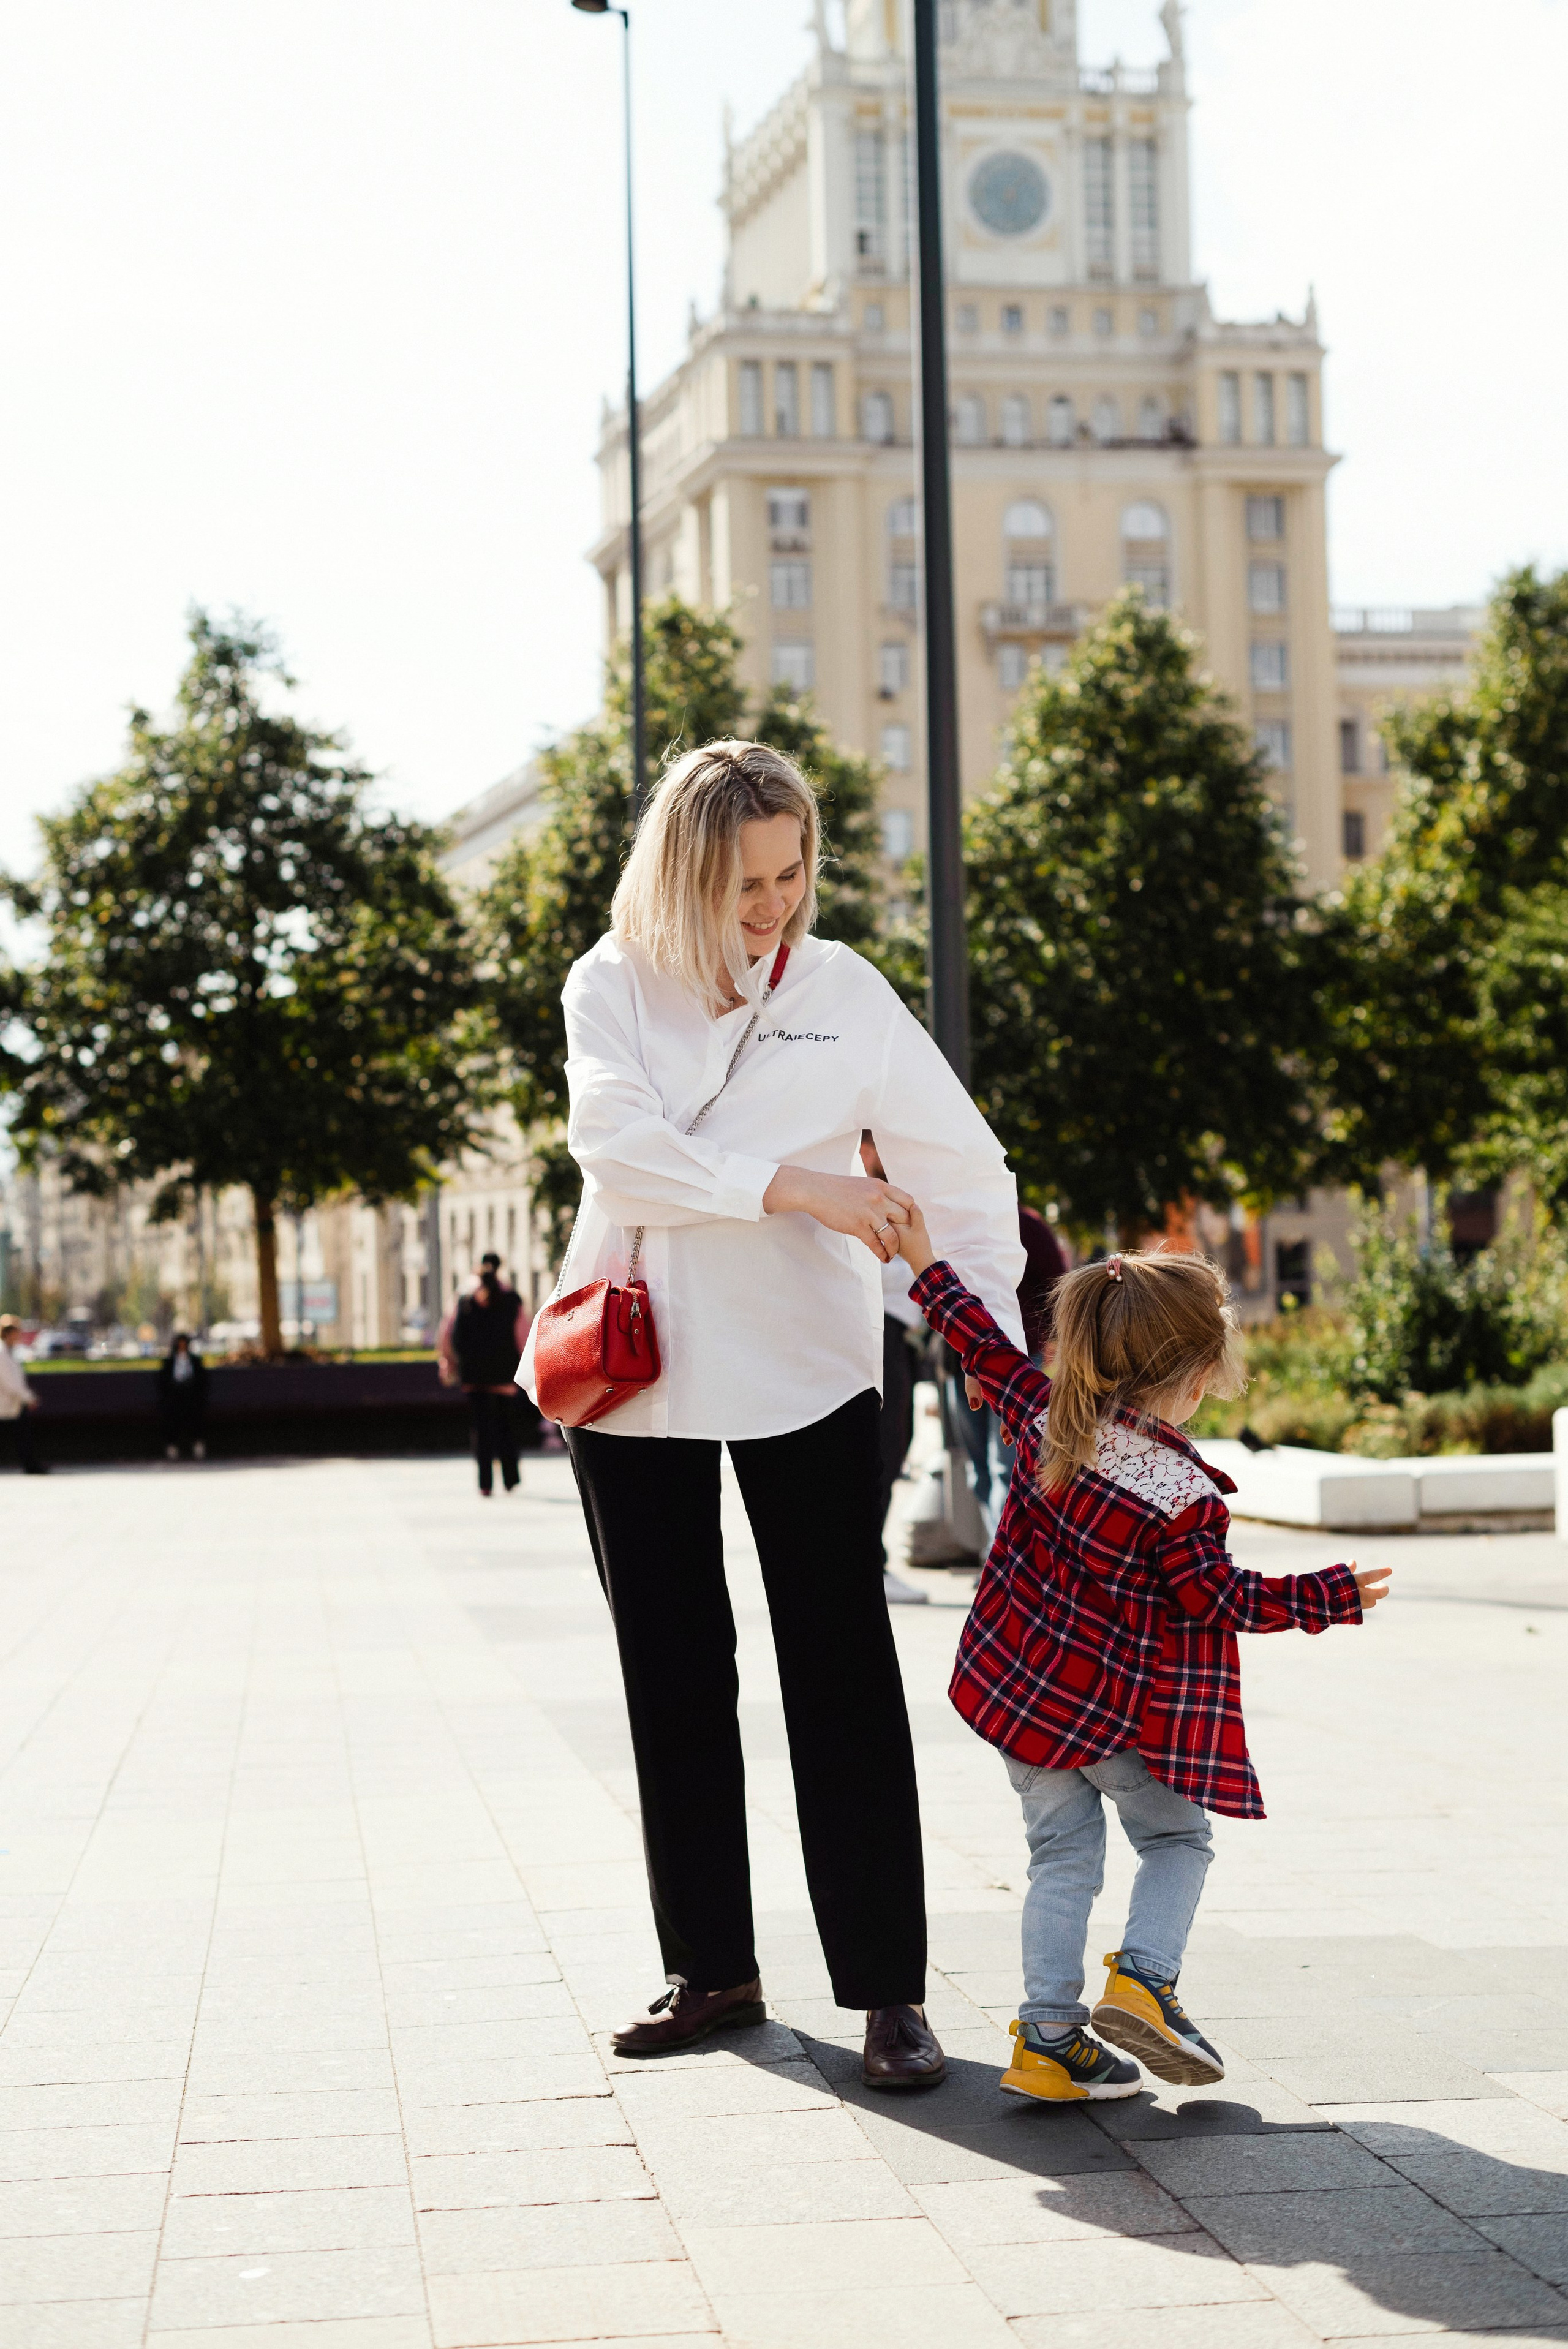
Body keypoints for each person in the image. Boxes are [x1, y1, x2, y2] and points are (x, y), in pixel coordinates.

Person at [521, 739, 1025, 2091]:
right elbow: (616, 1150)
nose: (774, 905)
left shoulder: (844, 991)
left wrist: (1011, 1360)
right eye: (746, 881)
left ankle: (889, 1994)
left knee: (841, 1670)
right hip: (634, 1374)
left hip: (806, 1363)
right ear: (683, 871)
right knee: (673, 1673)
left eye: (793, 873)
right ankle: (712, 1970)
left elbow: (962, 1169)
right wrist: (804, 1190)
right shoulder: (609, 984)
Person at [891, 1213, 1391, 2106]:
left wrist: (922, 1253)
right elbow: (1222, 1599)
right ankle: (1145, 1982)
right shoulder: (1179, 1492)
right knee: (1177, 1836)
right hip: (1112, 1715)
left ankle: (1048, 2039)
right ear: (1196, 1376)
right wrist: (1329, 1595)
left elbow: (970, 1327)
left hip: (1022, 1698)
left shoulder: (1042, 1413)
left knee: (1060, 1855)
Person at [858, 1134, 930, 1605]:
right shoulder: (861, 1193)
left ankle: (871, 1562)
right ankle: (871, 1567)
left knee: (891, 1447)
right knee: (881, 1449)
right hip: (876, 1328)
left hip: (894, 1332)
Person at [440, 1254, 532, 1497]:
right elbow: (524, 1338)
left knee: (481, 1430)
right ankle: (511, 1479)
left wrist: (447, 1363)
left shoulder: (464, 1297)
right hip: (504, 1376)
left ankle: (485, 1483)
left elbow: (447, 1333)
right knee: (506, 1427)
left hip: (474, 1375)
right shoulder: (512, 1297)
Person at [0, 1318, 47, 1474]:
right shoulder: (2, 1353)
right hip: (8, 1403)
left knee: (23, 1435)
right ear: (8, 1334)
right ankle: (31, 1465)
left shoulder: (9, 1352)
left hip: (13, 1404)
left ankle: (31, 1465)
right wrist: (29, 1398)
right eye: (16, 1333)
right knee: (22, 1435)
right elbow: (11, 1384)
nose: (19, 1336)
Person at [157, 1332, 209, 1460]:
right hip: (175, 1397)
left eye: (184, 1344)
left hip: (191, 1396)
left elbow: (202, 1380)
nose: (182, 1347)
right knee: (172, 1418)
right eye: (179, 1344)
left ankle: (198, 1445)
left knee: (195, 1418)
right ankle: (172, 1446)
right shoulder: (169, 1362)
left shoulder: (195, 1361)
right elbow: (163, 1381)